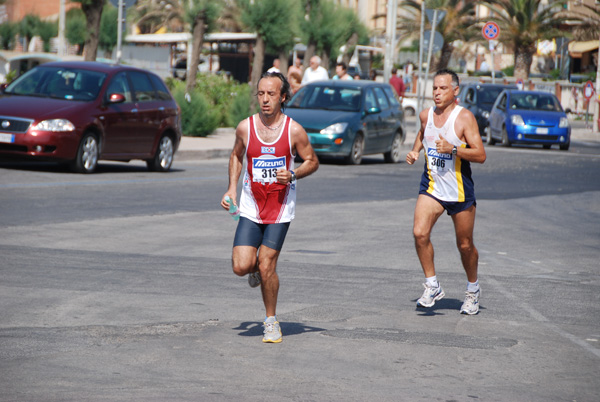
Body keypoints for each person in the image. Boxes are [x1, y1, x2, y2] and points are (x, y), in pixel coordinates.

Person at [221, 72, 319, 343]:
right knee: (241, 267)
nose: (265, 99)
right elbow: (236, 156)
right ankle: (254, 271)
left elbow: (312, 160)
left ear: (283, 97)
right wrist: (232, 188)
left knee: (267, 266)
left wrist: (295, 173)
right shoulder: (245, 128)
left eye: (271, 94)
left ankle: (271, 321)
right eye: (261, 94)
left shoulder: (294, 131)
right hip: (252, 206)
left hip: (280, 208)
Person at [405, 69, 487, 315]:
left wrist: (453, 149)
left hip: (459, 190)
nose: (437, 93)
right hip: (432, 186)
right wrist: (415, 150)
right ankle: (432, 285)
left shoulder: (464, 118)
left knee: (464, 245)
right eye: (434, 89)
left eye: (442, 88)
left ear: (455, 90)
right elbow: (423, 133)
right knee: (419, 233)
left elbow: (480, 154)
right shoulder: (425, 115)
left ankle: (473, 289)